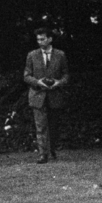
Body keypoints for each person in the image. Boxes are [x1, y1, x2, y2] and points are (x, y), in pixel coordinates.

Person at [24, 26, 69, 163]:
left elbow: (66, 75)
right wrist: (38, 82)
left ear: (50, 39)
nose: (40, 42)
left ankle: (52, 149)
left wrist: (59, 83)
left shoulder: (60, 55)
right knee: (41, 126)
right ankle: (43, 154)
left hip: (54, 95)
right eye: (38, 39)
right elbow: (26, 76)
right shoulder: (32, 55)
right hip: (38, 95)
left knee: (53, 125)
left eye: (42, 39)